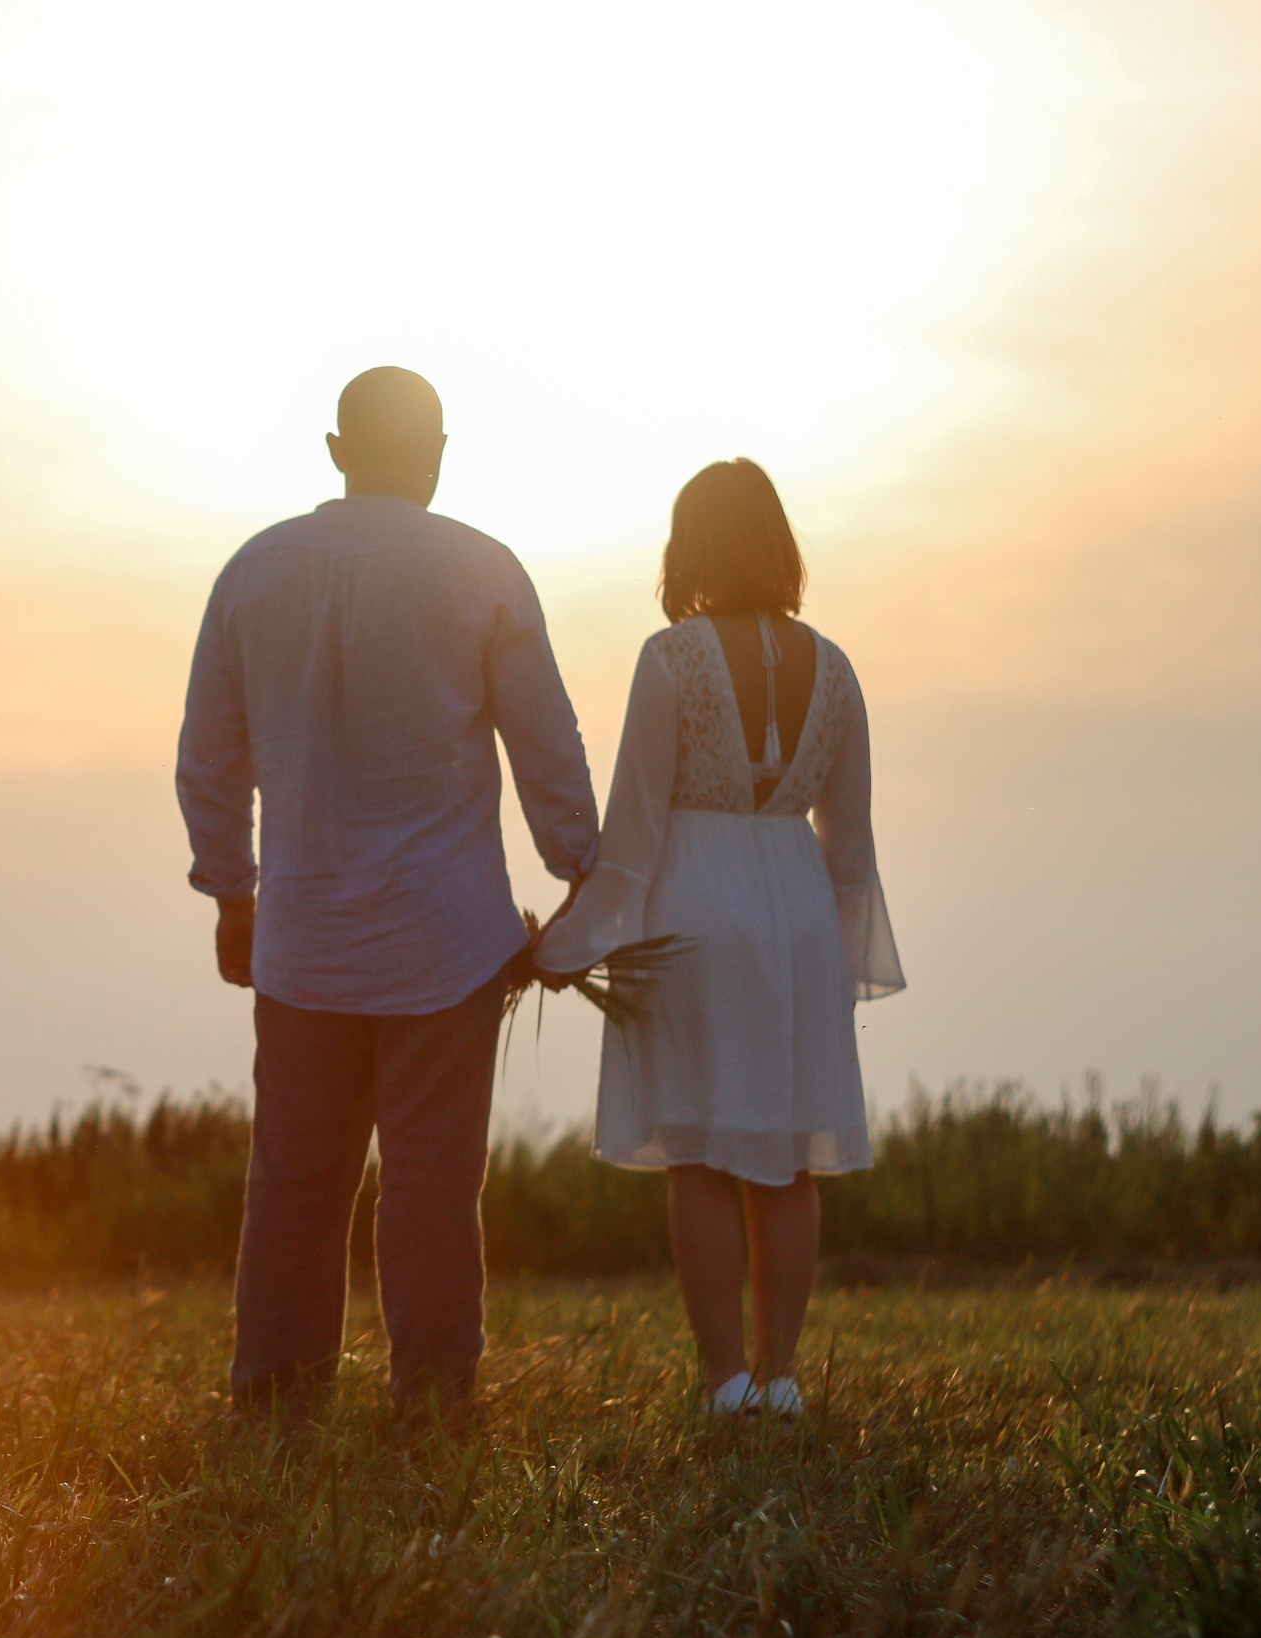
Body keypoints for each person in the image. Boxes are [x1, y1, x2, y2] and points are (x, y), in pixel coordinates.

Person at [175, 367, 598, 1419]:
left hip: (304, 939)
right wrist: (584, 876)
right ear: (439, 452)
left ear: (332, 450)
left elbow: (208, 758)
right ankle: (434, 1404)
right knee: (430, 1191)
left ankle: (275, 1404)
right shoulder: (482, 571)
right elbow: (547, 746)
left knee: (294, 1185)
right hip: (447, 942)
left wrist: (233, 893)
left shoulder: (253, 572)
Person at [532, 459, 903, 1418]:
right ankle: (781, 1380)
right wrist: (840, 951)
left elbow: (634, 831)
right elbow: (851, 844)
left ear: (688, 545)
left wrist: (567, 942)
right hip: (799, 909)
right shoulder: (838, 668)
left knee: (697, 1149)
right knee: (787, 1151)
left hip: (694, 907)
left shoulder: (672, 659)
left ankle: (725, 1378)